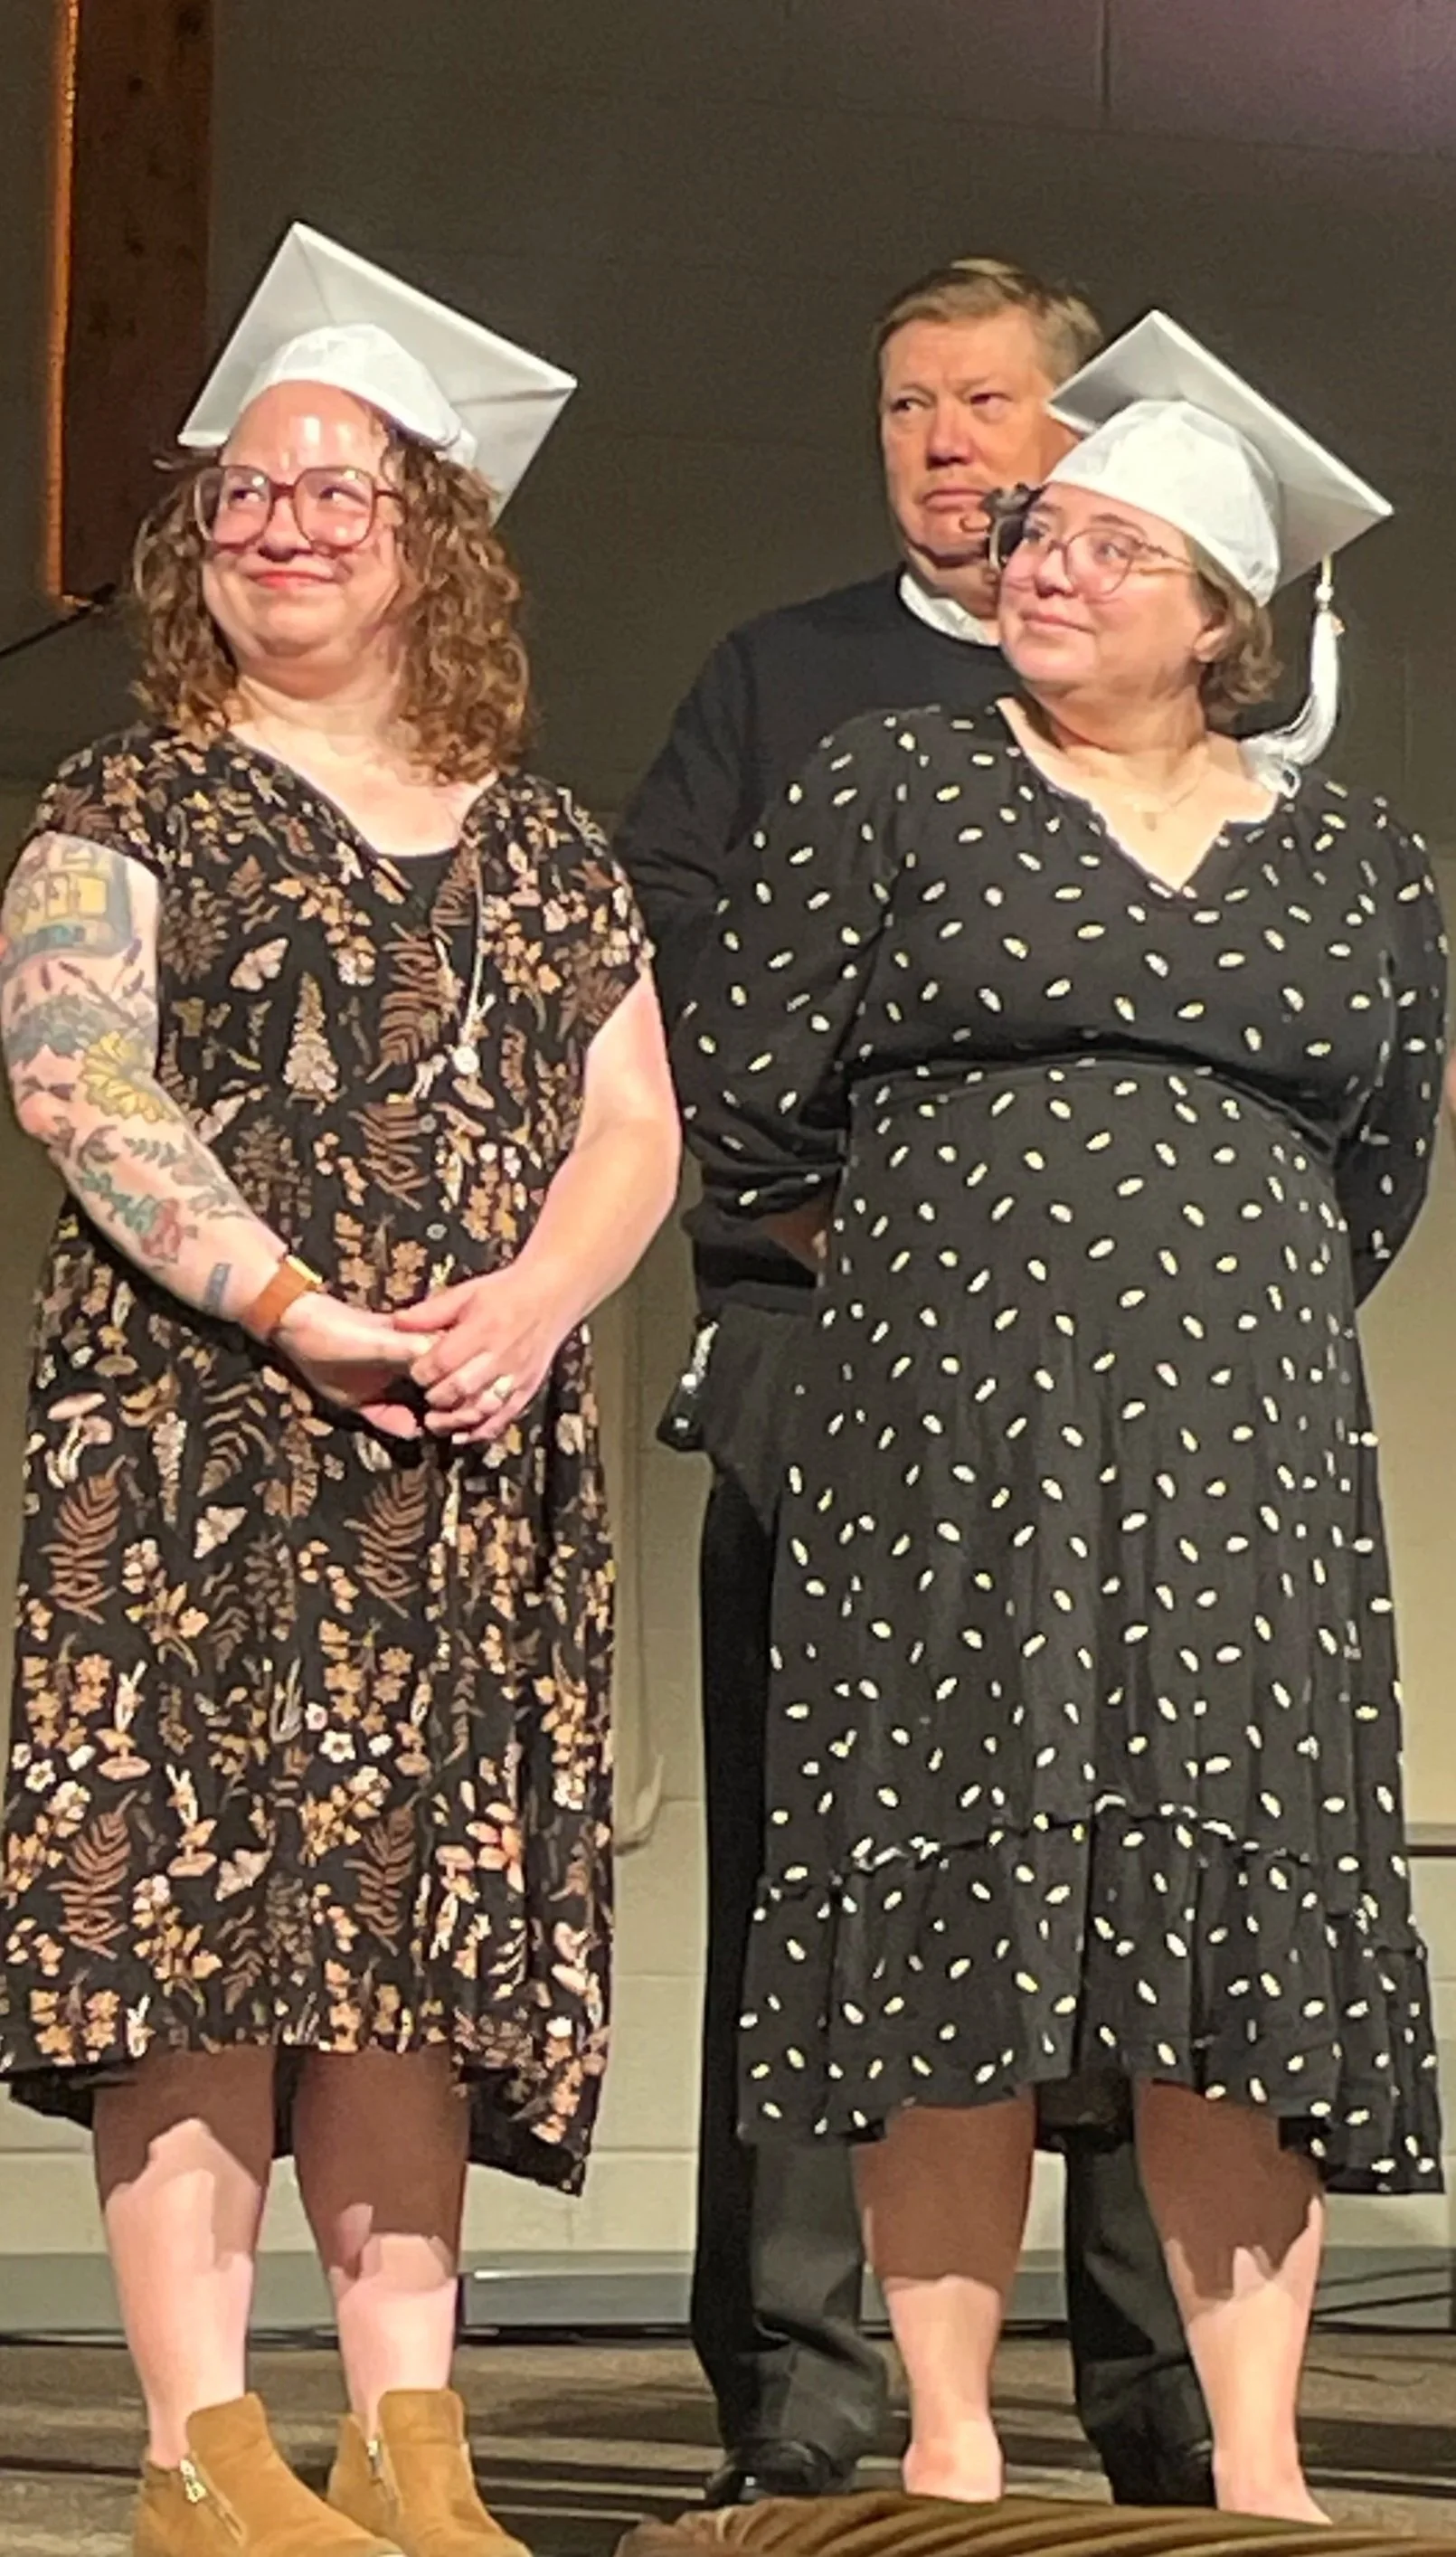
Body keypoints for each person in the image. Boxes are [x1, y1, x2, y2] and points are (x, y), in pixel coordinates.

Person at [673, 308, 1447, 2523]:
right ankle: (944, 2441)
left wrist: (1196, 1308)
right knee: (953, 1908)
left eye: (1112, 547)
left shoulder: (1358, 861)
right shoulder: (893, 787)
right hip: (945, 1442)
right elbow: (747, 1099)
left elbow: (1375, 1160)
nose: (1047, 566)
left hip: (1240, 1460)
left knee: (1230, 1927)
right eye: (1038, 536)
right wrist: (964, 1279)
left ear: (1221, 620)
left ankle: (1257, 2462)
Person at [0, 224, 679, 2557]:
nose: (279, 526)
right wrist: (295, 1306)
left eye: (333, 492)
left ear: (430, 541)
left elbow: (631, 1125)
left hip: (466, 1442)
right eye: (245, 495)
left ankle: (412, 2443)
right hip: (197, 1433)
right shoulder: (132, 799)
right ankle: (202, 2452)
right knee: (198, 1921)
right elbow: (80, 1080)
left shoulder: (546, 840)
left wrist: (532, 1308)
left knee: (413, 1937)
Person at [616, 259, 1215, 2507]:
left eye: (984, 402)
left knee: (1132, 1865)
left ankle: (1159, 2398)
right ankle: (807, 2393)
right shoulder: (786, 681)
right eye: (903, 407)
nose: (945, 443)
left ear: (1086, 437)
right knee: (818, 1870)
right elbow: (662, 959)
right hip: (828, 1335)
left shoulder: (1162, 715)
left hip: (1108, 1384)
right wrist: (878, 1191)